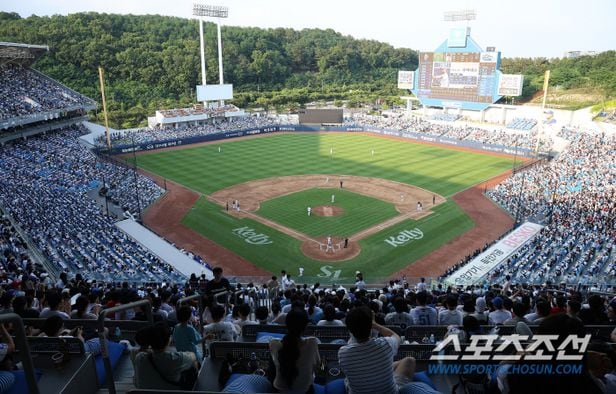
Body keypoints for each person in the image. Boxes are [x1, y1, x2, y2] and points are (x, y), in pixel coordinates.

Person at [339, 305, 416, 394]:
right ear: (371, 326)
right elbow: (396, 336)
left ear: (349, 330)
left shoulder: (343, 352)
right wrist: (375, 325)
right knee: (410, 360)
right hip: (390, 391)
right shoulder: (386, 344)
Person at [134, 322, 198, 390]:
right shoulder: (175, 359)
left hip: (144, 392)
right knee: (193, 364)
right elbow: (193, 356)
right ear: (168, 340)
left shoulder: (139, 357)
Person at [270, 309, 320, 393]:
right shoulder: (312, 343)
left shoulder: (274, 344)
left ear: (287, 325)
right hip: (304, 390)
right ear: (305, 327)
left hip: (279, 389)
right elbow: (317, 365)